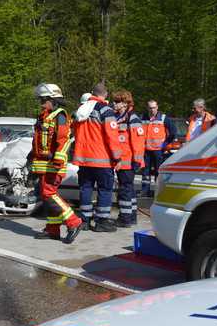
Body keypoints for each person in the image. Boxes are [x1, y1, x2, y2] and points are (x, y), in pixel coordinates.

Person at [30, 83, 83, 243]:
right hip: (44, 165)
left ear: (52, 100)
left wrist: (58, 160)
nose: (41, 103)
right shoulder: (44, 116)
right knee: (47, 197)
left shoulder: (59, 116)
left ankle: (74, 222)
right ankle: (52, 230)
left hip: (54, 164)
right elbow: (39, 142)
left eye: (43, 100)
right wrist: (30, 158)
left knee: (49, 194)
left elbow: (64, 140)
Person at [72, 82, 122, 232]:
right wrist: (117, 158)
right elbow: (112, 136)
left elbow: (73, 131)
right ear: (105, 94)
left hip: (83, 159)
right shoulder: (106, 110)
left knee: (85, 188)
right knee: (105, 190)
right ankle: (101, 221)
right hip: (102, 159)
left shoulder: (81, 110)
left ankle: (85, 220)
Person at [111, 90, 145, 228]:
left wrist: (136, 161)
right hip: (123, 162)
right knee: (128, 189)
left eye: (117, 101)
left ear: (125, 103)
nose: (115, 104)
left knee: (125, 190)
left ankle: (125, 218)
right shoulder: (120, 117)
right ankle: (131, 216)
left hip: (129, 162)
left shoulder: (132, 118)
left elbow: (138, 141)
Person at [140, 100, 176, 196]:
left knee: (158, 171)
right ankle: (145, 191)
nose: (152, 110)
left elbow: (173, 132)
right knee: (145, 172)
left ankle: (158, 191)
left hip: (158, 151)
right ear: (147, 108)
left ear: (157, 107)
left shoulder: (163, 118)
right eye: (150, 108)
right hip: (146, 149)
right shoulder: (143, 118)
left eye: (154, 107)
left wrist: (164, 145)